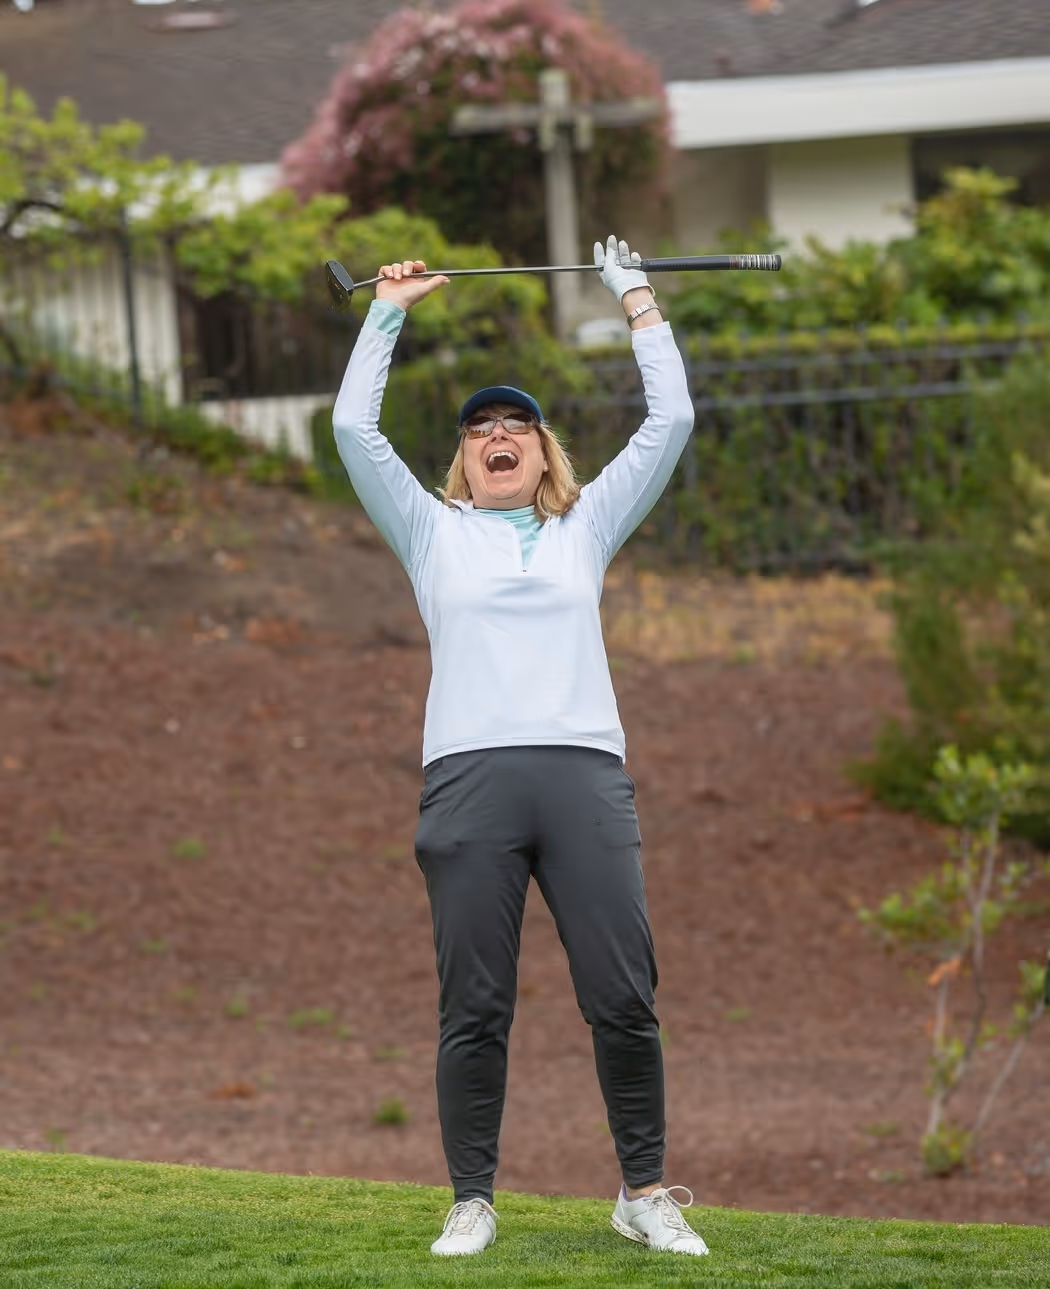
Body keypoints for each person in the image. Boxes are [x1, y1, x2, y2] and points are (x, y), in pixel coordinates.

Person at [332, 235, 709, 1259]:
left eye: (519, 426)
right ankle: (471, 1200)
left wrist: (635, 298)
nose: (499, 435)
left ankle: (642, 1190)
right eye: (481, 429)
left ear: (545, 452)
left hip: (583, 775)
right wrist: (389, 310)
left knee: (624, 996)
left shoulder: (587, 525)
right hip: (469, 782)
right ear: (464, 459)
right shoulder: (430, 529)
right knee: (476, 1004)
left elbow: (671, 417)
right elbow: (351, 426)